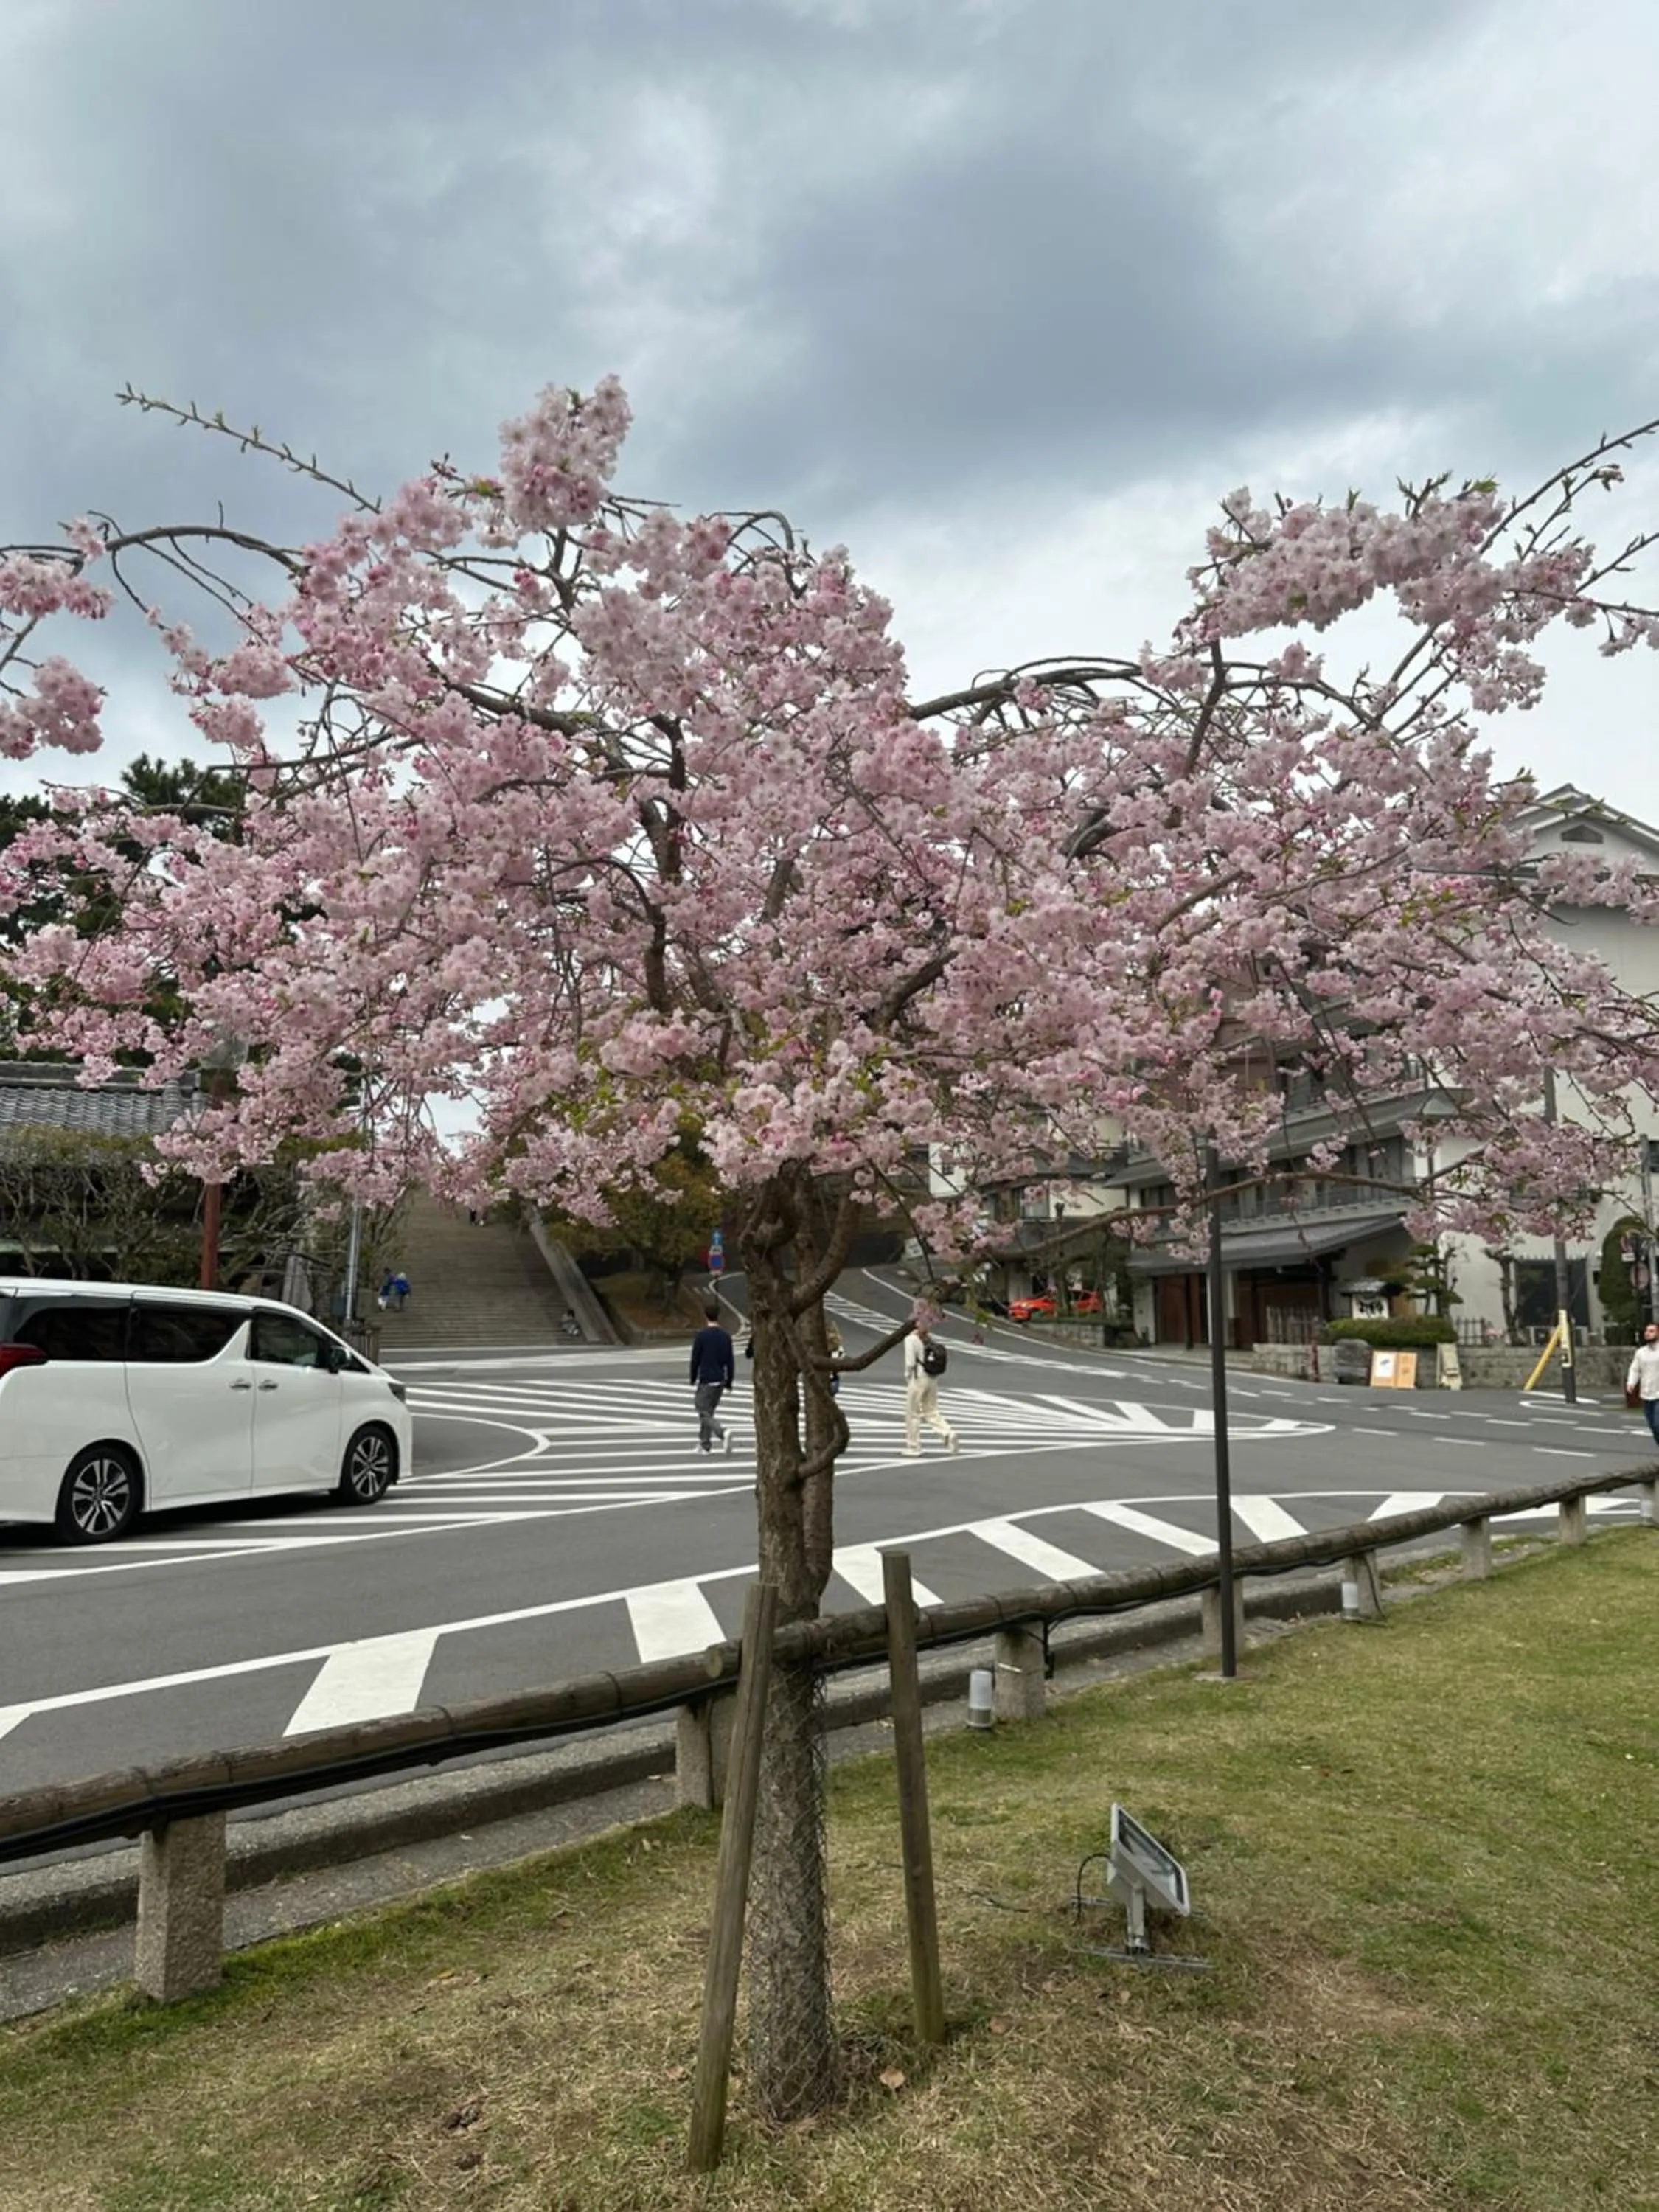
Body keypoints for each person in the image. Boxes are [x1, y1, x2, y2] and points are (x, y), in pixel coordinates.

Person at [904, 1322, 959, 1458]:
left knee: (913, 1413)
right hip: (932, 1378)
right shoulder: (929, 1339)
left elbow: (910, 1362)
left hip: (918, 1378)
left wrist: (907, 1375)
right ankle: (947, 1433)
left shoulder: (910, 1339)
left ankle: (913, 1446)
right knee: (931, 1410)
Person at [689, 1298, 736, 1455]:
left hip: (707, 1379)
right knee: (708, 1412)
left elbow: (695, 1359)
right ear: (718, 1316)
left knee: (702, 1410)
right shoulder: (725, 1336)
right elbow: (730, 1361)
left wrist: (693, 1377)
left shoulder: (702, 1336)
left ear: (705, 1316)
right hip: (720, 1379)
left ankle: (722, 1432)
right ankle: (705, 1444)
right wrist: (729, 1381)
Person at [1627, 1321, 1659, 1445]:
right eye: (1646, 1331)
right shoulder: (1641, 1352)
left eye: (1652, 1331)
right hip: (1646, 1394)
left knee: (1658, 1424)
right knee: (1653, 1426)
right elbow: (1635, 1369)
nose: (1647, 1333)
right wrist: (1631, 1382)